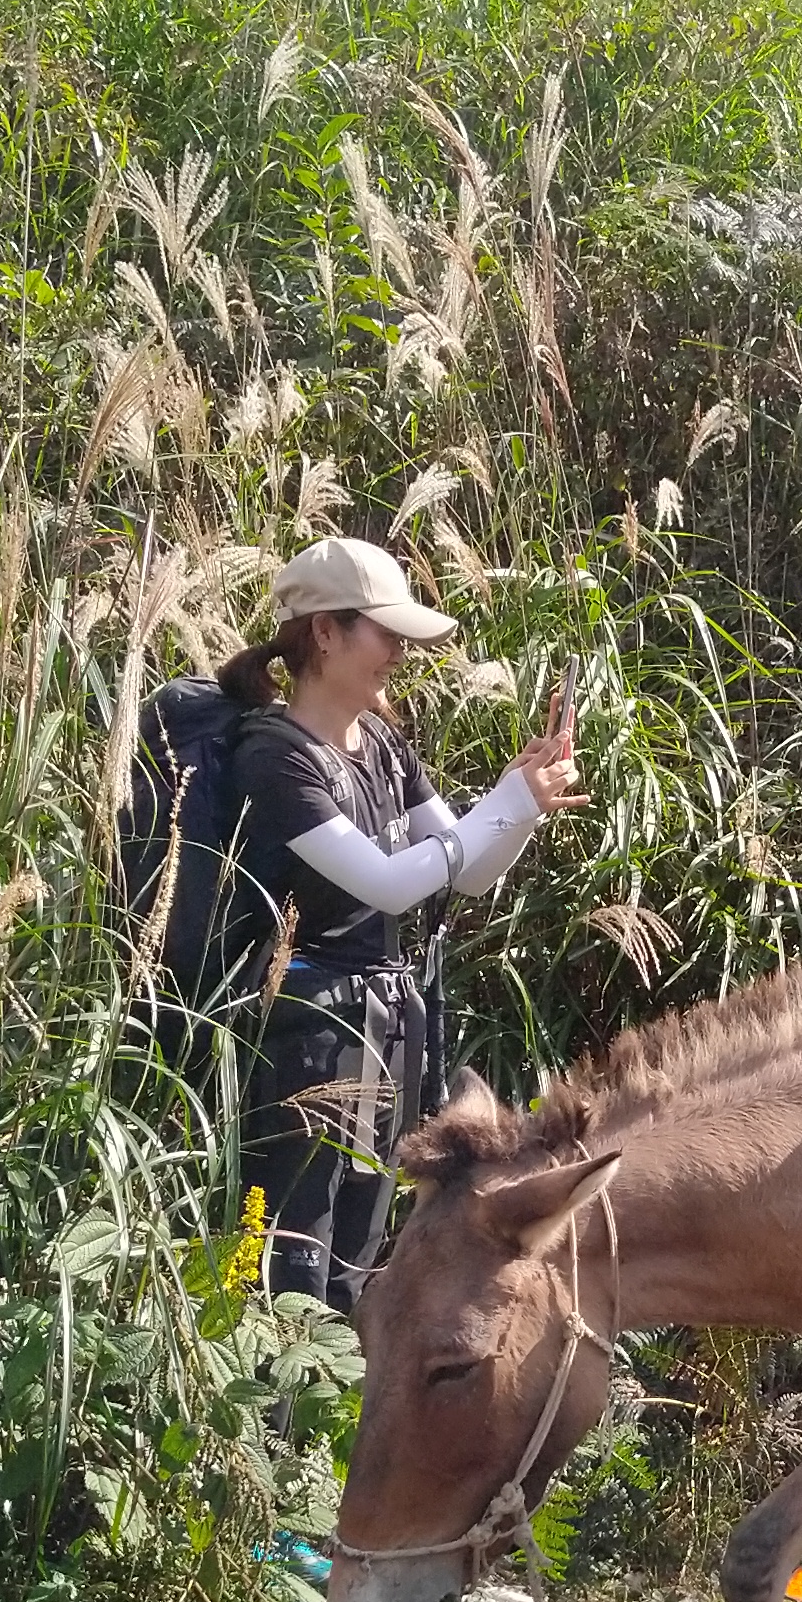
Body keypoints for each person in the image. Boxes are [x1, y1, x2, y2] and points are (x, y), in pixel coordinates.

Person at [221, 535, 579, 1309]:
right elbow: (387, 885)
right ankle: (270, 1427)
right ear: (325, 631)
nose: (401, 652)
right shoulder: (275, 757)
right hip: (305, 1041)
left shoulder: (382, 743)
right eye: (386, 632)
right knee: (291, 1261)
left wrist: (522, 804)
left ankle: (336, 1424)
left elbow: (470, 873)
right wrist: (502, 807)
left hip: (383, 1035)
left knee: (358, 1258)